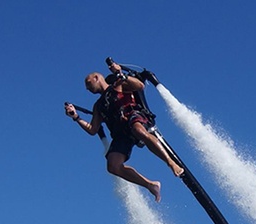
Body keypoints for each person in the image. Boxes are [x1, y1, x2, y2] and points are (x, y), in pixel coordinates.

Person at [65, 61, 184, 202]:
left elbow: (140, 86)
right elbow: (93, 129)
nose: (87, 88)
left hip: (133, 118)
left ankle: (171, 162)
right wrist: (76, 117)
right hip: (121, 133)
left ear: (97, 78)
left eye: (88, 83)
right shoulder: (98, 106)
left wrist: (120, 74)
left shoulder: (118, 85)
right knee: (112, 165)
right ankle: (150, 185)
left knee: (137, 129)